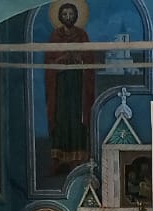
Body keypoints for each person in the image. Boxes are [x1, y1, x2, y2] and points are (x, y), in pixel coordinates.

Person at [44, 1, 97, 173]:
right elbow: (49, 61)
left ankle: (78, 158)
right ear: (60, 17)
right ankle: (58, 159)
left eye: (71, 14)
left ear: (76, 16)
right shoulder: (55, 36)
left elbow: (89, 59)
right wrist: (61, 59)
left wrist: (78, 58)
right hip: (59, 85)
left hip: (77, 84)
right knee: (60, 117)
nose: (68, 17)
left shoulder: (82, 35)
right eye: (65, 14)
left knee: (76, 117)